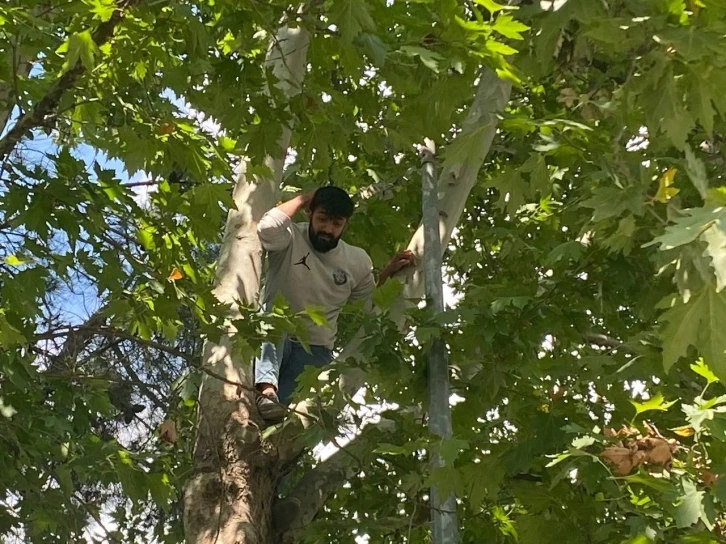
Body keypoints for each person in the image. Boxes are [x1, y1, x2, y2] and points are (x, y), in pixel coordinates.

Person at [254, 186, 414, 423]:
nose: (328, 229)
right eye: (322, 219)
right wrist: (306, 197)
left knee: (276, 418)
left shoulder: (357, 261)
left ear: (345, 225)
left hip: (315, 350)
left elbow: (368, 305)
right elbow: (266, 228)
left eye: (336, 224)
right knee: (270, 317)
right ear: (310, 214)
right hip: (276, 333)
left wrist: (388, 272)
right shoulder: (290, 238)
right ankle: (266, 389)